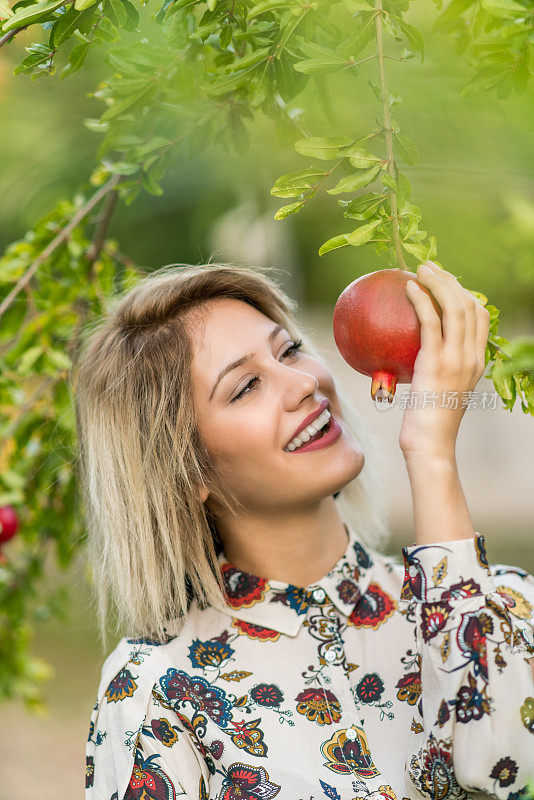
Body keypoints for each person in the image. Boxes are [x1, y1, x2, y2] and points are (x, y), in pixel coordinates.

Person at [72, 262, 534, 800]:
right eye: (246, 386)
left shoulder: (500, 603)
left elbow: (507, 764)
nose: (304, 382)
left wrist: (431, 454)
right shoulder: (158, 691)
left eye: (289, 350)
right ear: (186, 472)